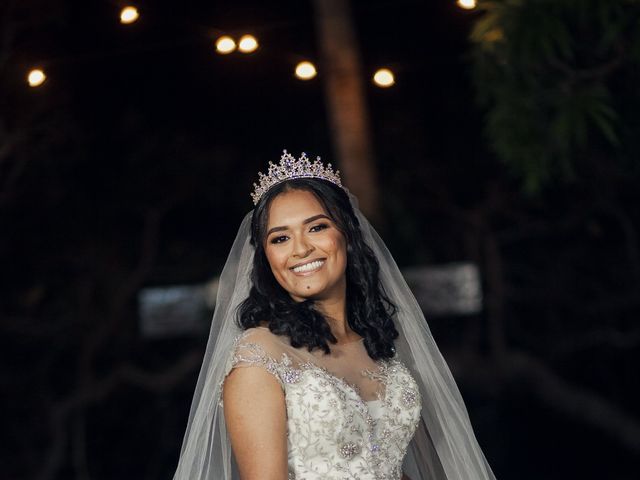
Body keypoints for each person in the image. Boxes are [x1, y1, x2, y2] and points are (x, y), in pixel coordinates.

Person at [173, 151, 497, 480]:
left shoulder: (377, 344)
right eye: (281, 238)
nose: (300, 249)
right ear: (266, 258)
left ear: (346, 234)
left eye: (316, 227)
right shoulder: (259, 354)